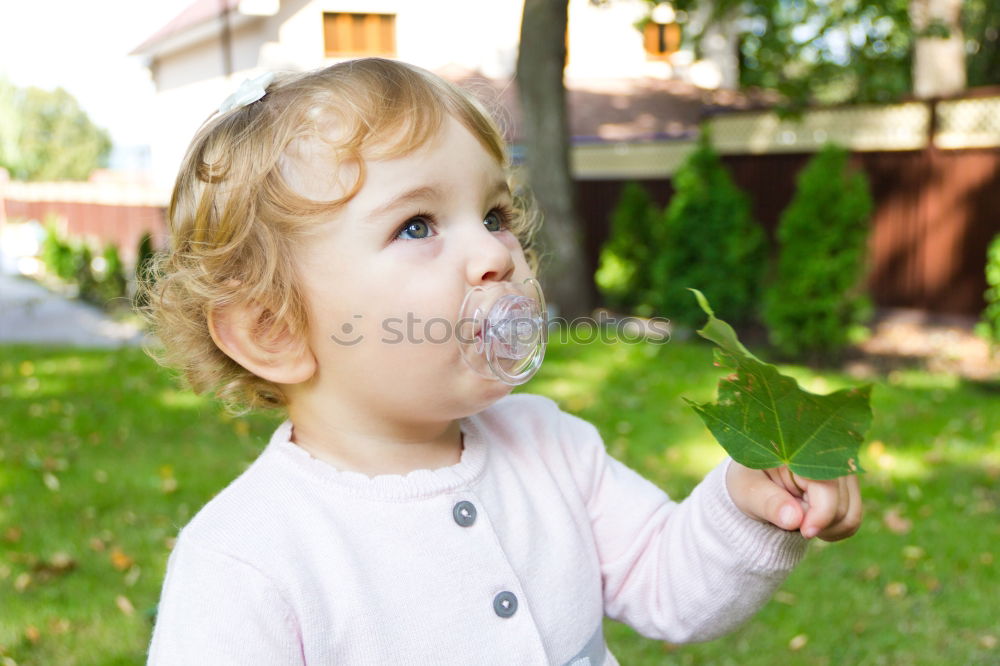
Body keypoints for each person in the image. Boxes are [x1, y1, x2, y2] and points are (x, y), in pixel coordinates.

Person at [143, 58, 861, 665]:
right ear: (274, 330)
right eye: (416, 225)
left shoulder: (550, 446)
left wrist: (747, 508)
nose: (496, 254)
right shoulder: (246, 561)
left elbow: (667, 582)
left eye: (494, 216)